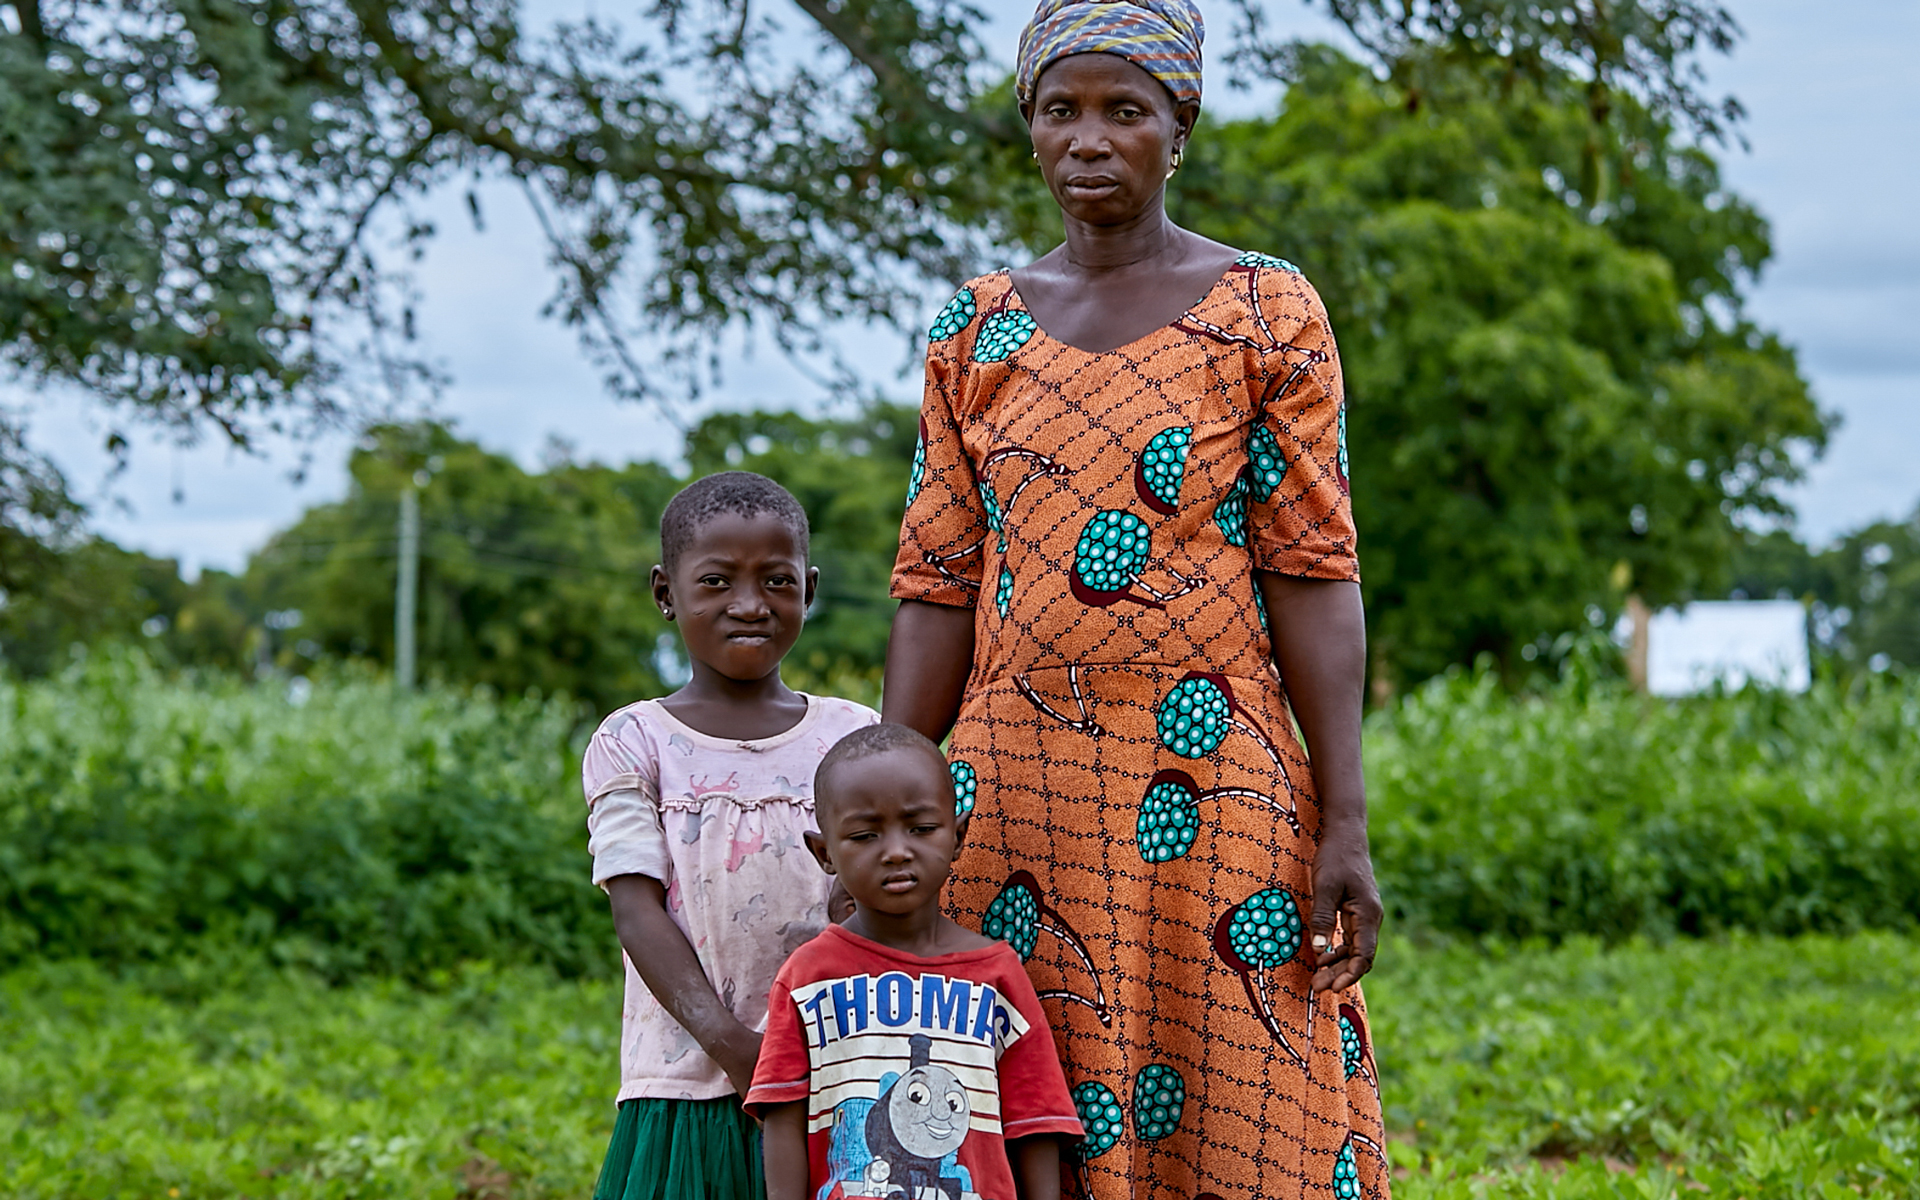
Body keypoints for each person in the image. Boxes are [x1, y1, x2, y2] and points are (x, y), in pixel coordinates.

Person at [881, 0, 1390, 1195]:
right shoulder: (978, 326)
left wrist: (1344, 814)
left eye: (1126, 110)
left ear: (1181, 127)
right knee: (1017, 1099)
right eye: (1062, 111)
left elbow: (1311, 570)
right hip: (1014, 784)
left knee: (1247, 1085)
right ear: (1031, 129)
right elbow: (937, 580)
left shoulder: (1264, 311)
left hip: (1217, 773)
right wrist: (899, 780)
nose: (1091, 139)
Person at [583, 471, 880, 1200]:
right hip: (691, 1080)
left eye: (776, 582)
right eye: (716, 581)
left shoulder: (854, 736)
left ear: (808, 590)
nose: (749, 604)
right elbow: (635, 910)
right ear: (665, 592)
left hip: (837, 1076)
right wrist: (736, 1047)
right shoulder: (635, 740)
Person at [749, 724, 1085, 1200]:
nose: (897, 851)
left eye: (922, 829)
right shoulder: (807, 976)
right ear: (825, 853)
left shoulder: (997, 973)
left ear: (958, 836)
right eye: (865, 835)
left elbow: (1035, 1119)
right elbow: (782, 1115)